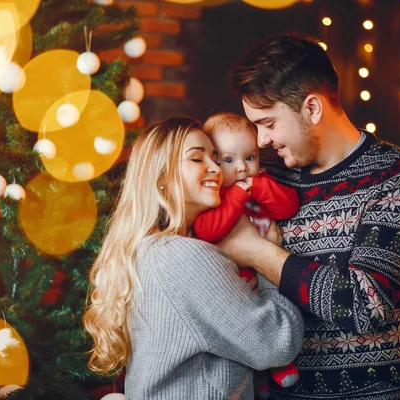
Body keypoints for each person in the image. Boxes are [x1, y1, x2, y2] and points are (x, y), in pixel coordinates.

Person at [217, 35, 400, 399]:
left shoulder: (399, 176)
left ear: (313, 109)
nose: (261, 140)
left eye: (268, 123)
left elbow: (366, 305)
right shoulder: (266, 179)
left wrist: (257, 252)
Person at [82, 116, 304, 399]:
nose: (215, 168)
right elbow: (278, 343)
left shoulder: (153, 250)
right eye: (197, 159)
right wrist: (263, 257)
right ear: (162, 178)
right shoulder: (184, 257)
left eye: (215, 157)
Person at [193, 111, 301, 390]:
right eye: (229, 160)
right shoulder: (216, 198)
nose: (242, 168)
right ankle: (269, 370)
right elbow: (208, 230)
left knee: (274, 310)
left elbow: (289, 206)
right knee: (251, 322)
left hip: (267, 268)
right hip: (236, 273)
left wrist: (260, 187)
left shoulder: (261, 184)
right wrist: (238, 196)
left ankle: (278, 367)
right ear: (214, 162)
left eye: (250, 158)